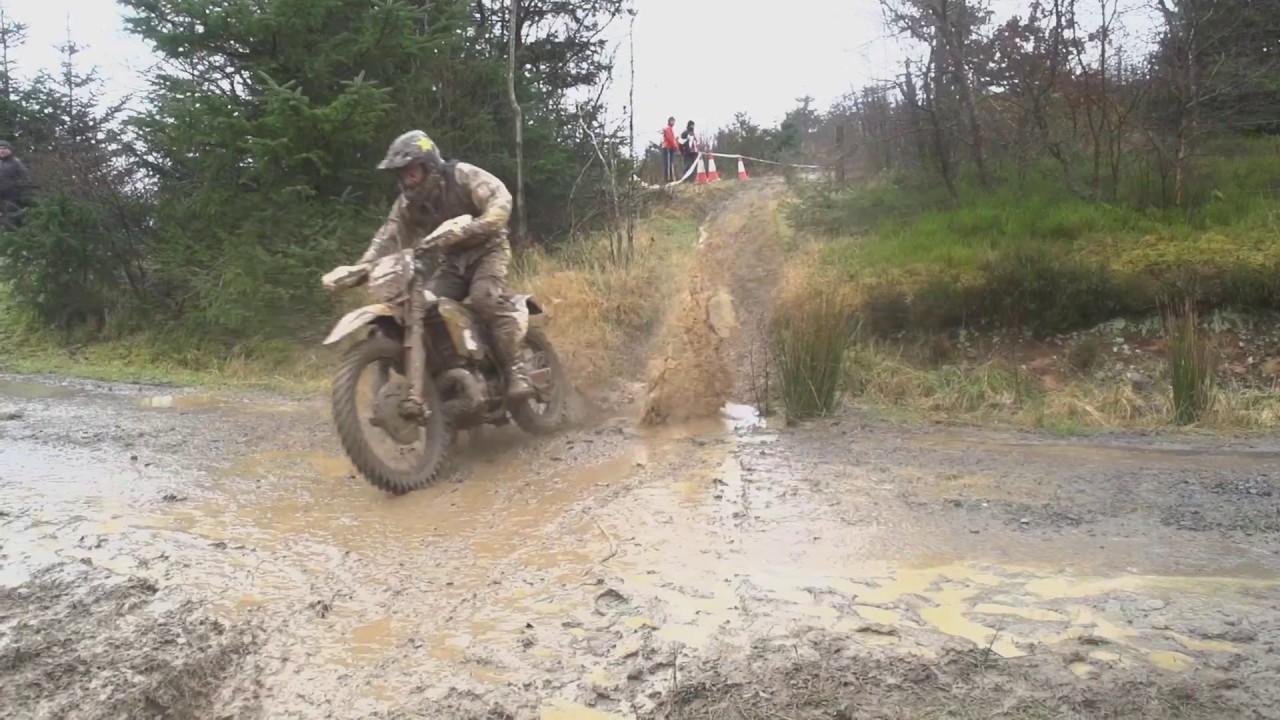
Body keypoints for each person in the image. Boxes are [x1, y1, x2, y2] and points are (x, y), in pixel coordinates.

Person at [353, 129, 533, 403]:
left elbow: (500, 200)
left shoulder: (461, 175)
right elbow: (388, 237)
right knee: (426, 309)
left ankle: (516, 368)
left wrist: (474, 227)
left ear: (428, 166)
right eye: (401, 173)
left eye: (410, 171)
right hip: (452, 262)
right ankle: (453, 373)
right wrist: (361, 268)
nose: (405, 179)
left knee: (485, 298)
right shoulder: (407, 205)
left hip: (488, 249)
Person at [0, 140, 31, 223]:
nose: (2, 150)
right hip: (1, 195)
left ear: (10, 150)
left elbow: (26, 176)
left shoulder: (16, 162)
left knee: (11, 217)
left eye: (4, 148)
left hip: (12, 195)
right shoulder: (0, 162)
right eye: (0, 148)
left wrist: (19, 188)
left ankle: (11, 232)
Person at [661, 117, 680, 182]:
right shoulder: (667, 128)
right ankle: (668, 178)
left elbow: (673, 139)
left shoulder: (671, 129)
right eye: (672, 121)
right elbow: (670, 139)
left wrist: (676, 146)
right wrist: (675, 146)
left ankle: (670, 178)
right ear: (669, 121)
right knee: (668, 163)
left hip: (671, 147)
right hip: (667, 147)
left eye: (674, 121)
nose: (673, 123)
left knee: (670, 163)